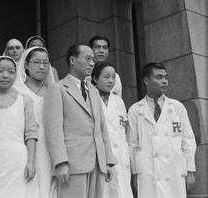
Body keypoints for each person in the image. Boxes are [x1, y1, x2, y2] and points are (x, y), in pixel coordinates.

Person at [44, 43, 115, 198]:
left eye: (93, 60)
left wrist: (108, 161)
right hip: (72, 163)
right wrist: (60, 162)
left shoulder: (94, 91)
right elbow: (53, 128)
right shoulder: (58, 89)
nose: (92, 63)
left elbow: (102, 128)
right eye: (88, 58)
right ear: (72, 60)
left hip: (97, 162)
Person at [128, 62, 196, 198]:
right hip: (148, 172)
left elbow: (188, 140)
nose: (164, 81)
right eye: (159, 77)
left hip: (174, 170)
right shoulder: (135, 110)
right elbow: (132, 144)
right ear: (146, 80)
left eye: (166, 77)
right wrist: (134, 174)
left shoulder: (177, 107)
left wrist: (190, 171)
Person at [0, 56, 39, 197]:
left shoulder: (24, 102)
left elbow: (31, 134)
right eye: (0, 71)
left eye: (11, 72)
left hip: (18, 162)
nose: (5, 75)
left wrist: (31, 162)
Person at [18, 46, 57, 197]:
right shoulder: (17, 90)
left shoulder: (53, 92)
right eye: (37, 62)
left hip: (48, 147)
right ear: (26, 65)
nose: (42, 67)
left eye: (45, 63)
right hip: (24, 147)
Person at [91, 62, 133, 198]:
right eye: (106, 77)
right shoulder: (89, 99)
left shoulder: (119, 101)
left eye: (113, 77)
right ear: (95, 79)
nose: (111, 81)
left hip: (121, 158)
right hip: (100, 159)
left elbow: (126, 131)